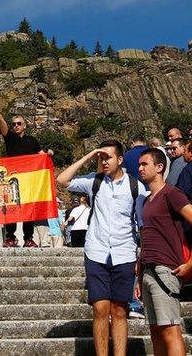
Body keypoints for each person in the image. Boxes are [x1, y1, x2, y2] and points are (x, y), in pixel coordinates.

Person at [57, 140, 148, 356]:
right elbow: (62, 179)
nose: (104, 161)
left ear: (120, 159)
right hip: (96, 251)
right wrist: (90, 156)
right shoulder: (94, 182)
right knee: (99, 309)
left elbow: (142, 222)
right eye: (101, 157)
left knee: (119, 310)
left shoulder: (136, 186)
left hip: (124, 251)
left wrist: (142, 256)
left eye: (108, 157)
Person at [135, 148, 192, 356]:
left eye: (144, 164)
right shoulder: (147, 200)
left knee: (170, 330)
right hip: (148, 269)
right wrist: (139, 273)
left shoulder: (171, 193)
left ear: (159, 167)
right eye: (139, 164)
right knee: (156, 331)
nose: (139, 168)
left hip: (166, 270)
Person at [0, 96, 47, 247]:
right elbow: (1, 123)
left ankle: (28, 238)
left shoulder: (32, 140)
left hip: (28, 182)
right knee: (10, 209)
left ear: (25, 125)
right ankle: (11, 237)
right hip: (11, 181)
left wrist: (50, 154)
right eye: (14, 124)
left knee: (28, 209)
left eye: (19, 123)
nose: (16, 126)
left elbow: (42, 157)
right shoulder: (10, 138)